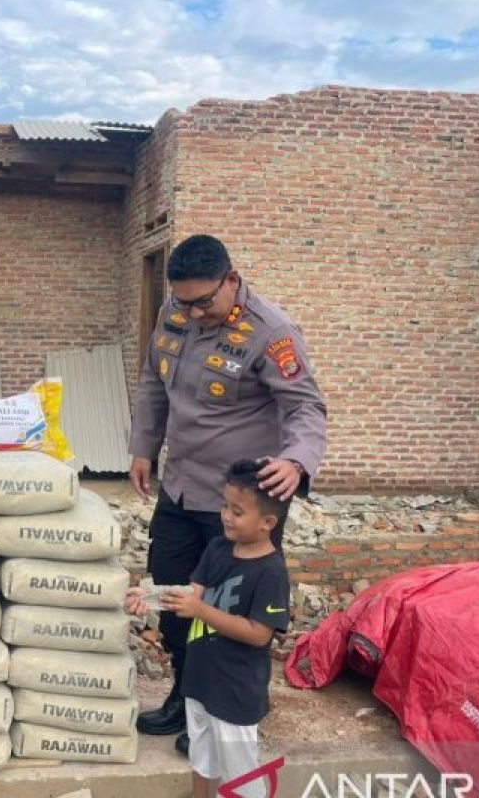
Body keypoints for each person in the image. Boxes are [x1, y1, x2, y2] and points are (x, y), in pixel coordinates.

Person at [129, 234, 326, 750]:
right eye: (183, 302)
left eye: (203, 302)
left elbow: (305, 407)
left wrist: (295, 460)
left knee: (234, 615)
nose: (192, 314)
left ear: (232, 281)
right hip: (180, 488)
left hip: (241, 504)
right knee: (175, 598)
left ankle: (229, 716)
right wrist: (143, 447)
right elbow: (154, 382)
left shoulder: (271, 332)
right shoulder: (174, 313)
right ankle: (185, 697)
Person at [125, 459, 290, 798]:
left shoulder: (271, 572)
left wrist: (201, 611)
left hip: (235, 691)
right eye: (224, 506)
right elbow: (192, 593)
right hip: (200, 681)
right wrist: (150, 595)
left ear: (267, 523)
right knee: (202, 756)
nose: (226, 516)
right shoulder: (217, 548)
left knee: (242, 776)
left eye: (238, 511)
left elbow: (259, 633)